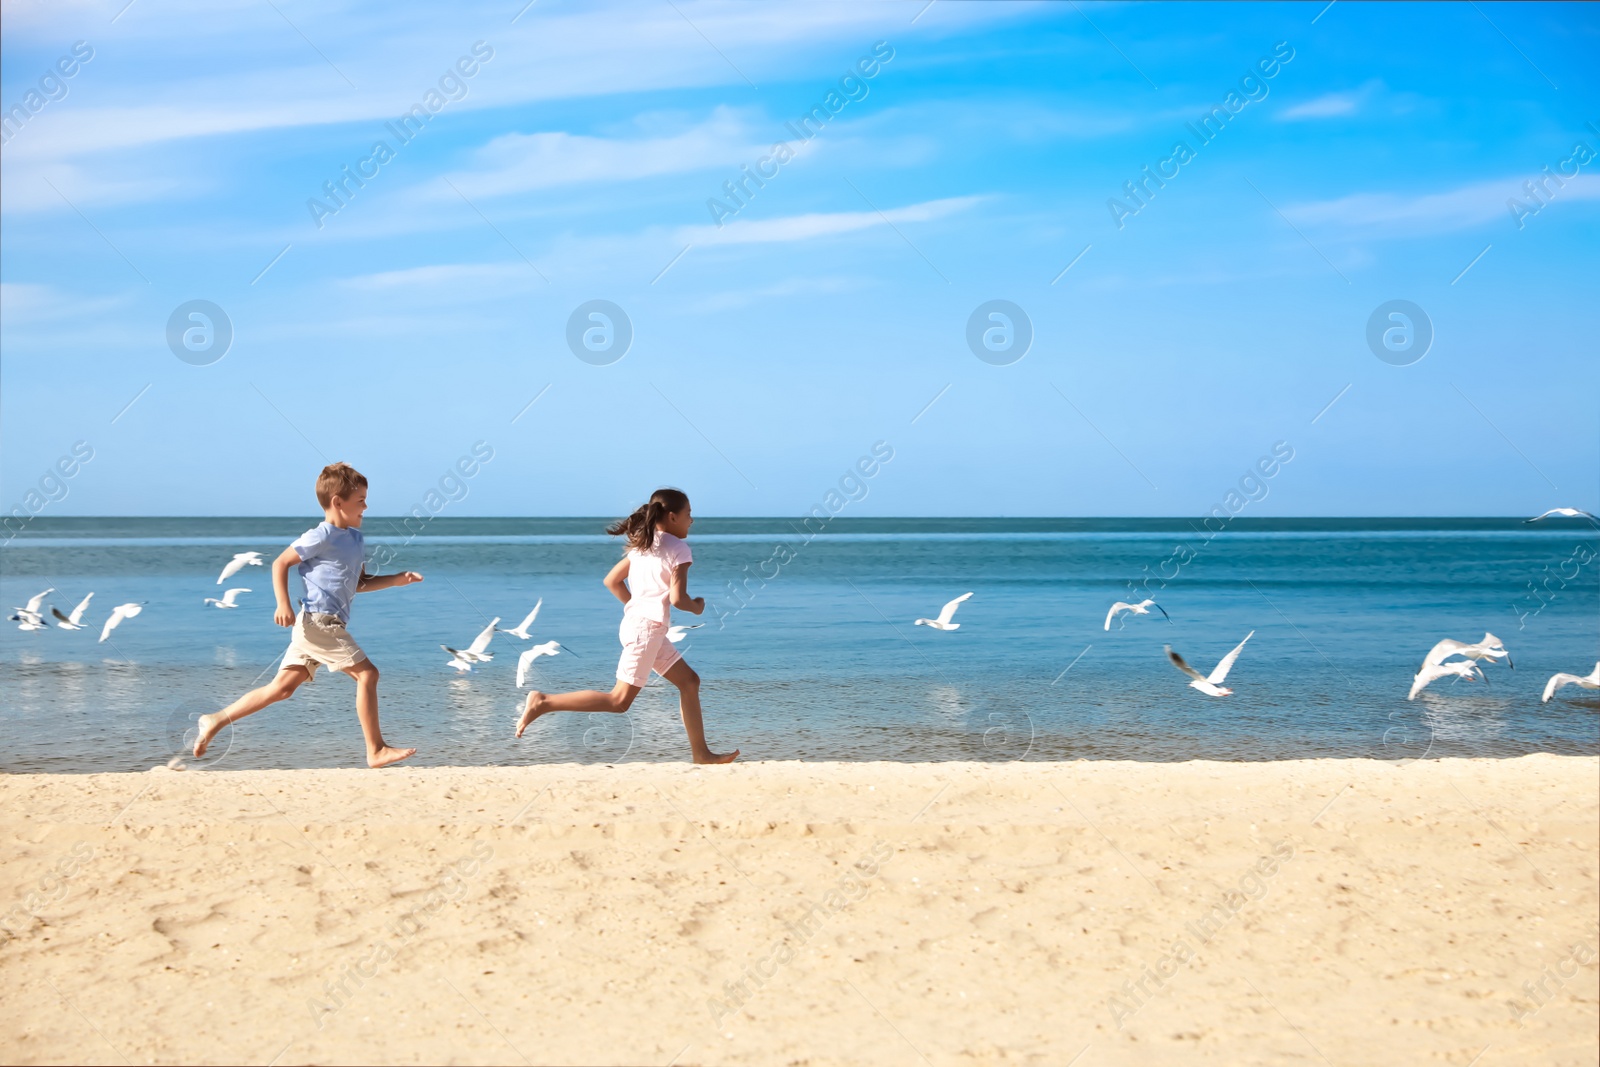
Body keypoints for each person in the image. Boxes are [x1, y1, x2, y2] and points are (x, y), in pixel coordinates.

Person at [193, 462, 422, 768]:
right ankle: (375, 749)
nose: (366, 506)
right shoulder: (321, 536)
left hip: (316, 626)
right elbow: (279, 563)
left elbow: (358, 584)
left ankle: (215, 720)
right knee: (368, 674)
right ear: (337, 502)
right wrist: (282, 604)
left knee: (282, 688)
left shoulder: (355, 540)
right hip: (319, 622)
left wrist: (395, 579)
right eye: (360, 500)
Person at [516, 488, 738, 764]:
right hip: (646, 631)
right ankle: (544, 702)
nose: (691, 520)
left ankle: (701, 753)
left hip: (642, 627)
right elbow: (678, 599)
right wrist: (698, 606)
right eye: (689, 514)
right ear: (672, 517)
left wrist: (638, 607)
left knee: (689, 682)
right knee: (619, 701)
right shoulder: (679, 549)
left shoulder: (642, 546)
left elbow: (611, 581)